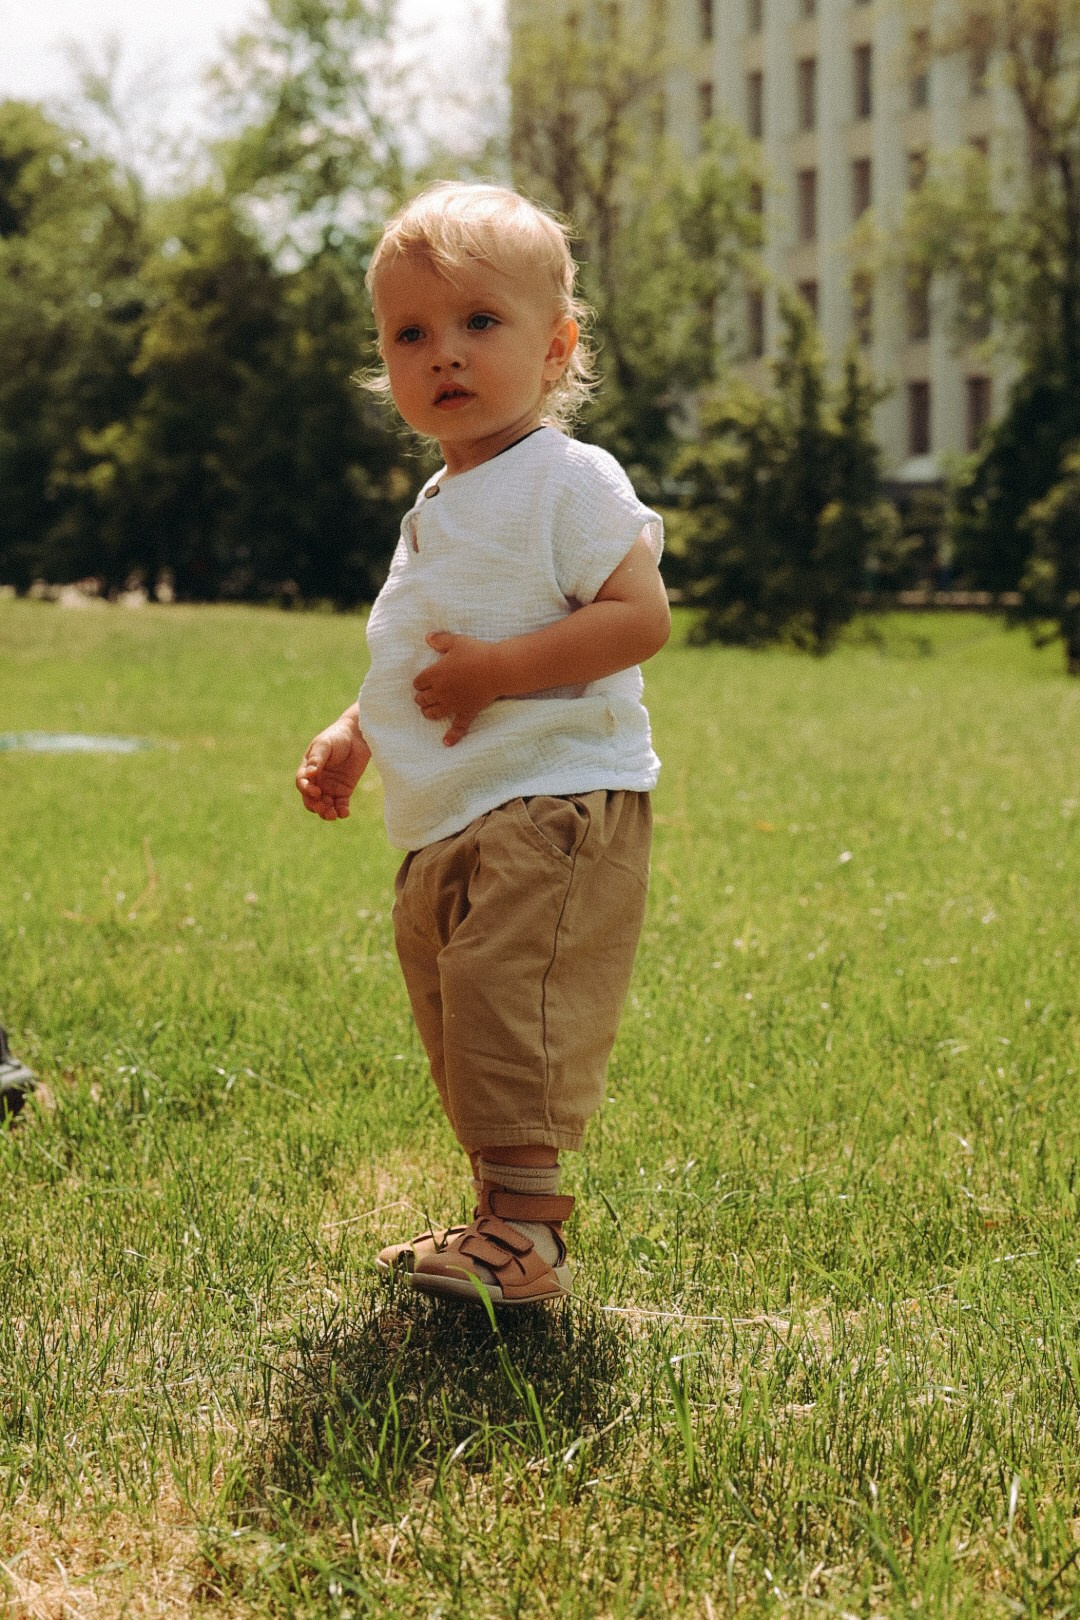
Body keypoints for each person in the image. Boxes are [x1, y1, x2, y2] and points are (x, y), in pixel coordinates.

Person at [296, 182, 670, 1306]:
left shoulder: (568, 479)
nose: (443, 354)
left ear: (555, 349)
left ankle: (530, 1238)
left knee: (510, 998)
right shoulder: (436, 504)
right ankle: (495, 1221)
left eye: (478, 324)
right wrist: (359, 732)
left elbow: (639, 617)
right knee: (462, 1013)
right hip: (449, 812)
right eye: (412, 333)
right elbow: (418, 649)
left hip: (552, 798)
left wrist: (500, 673)